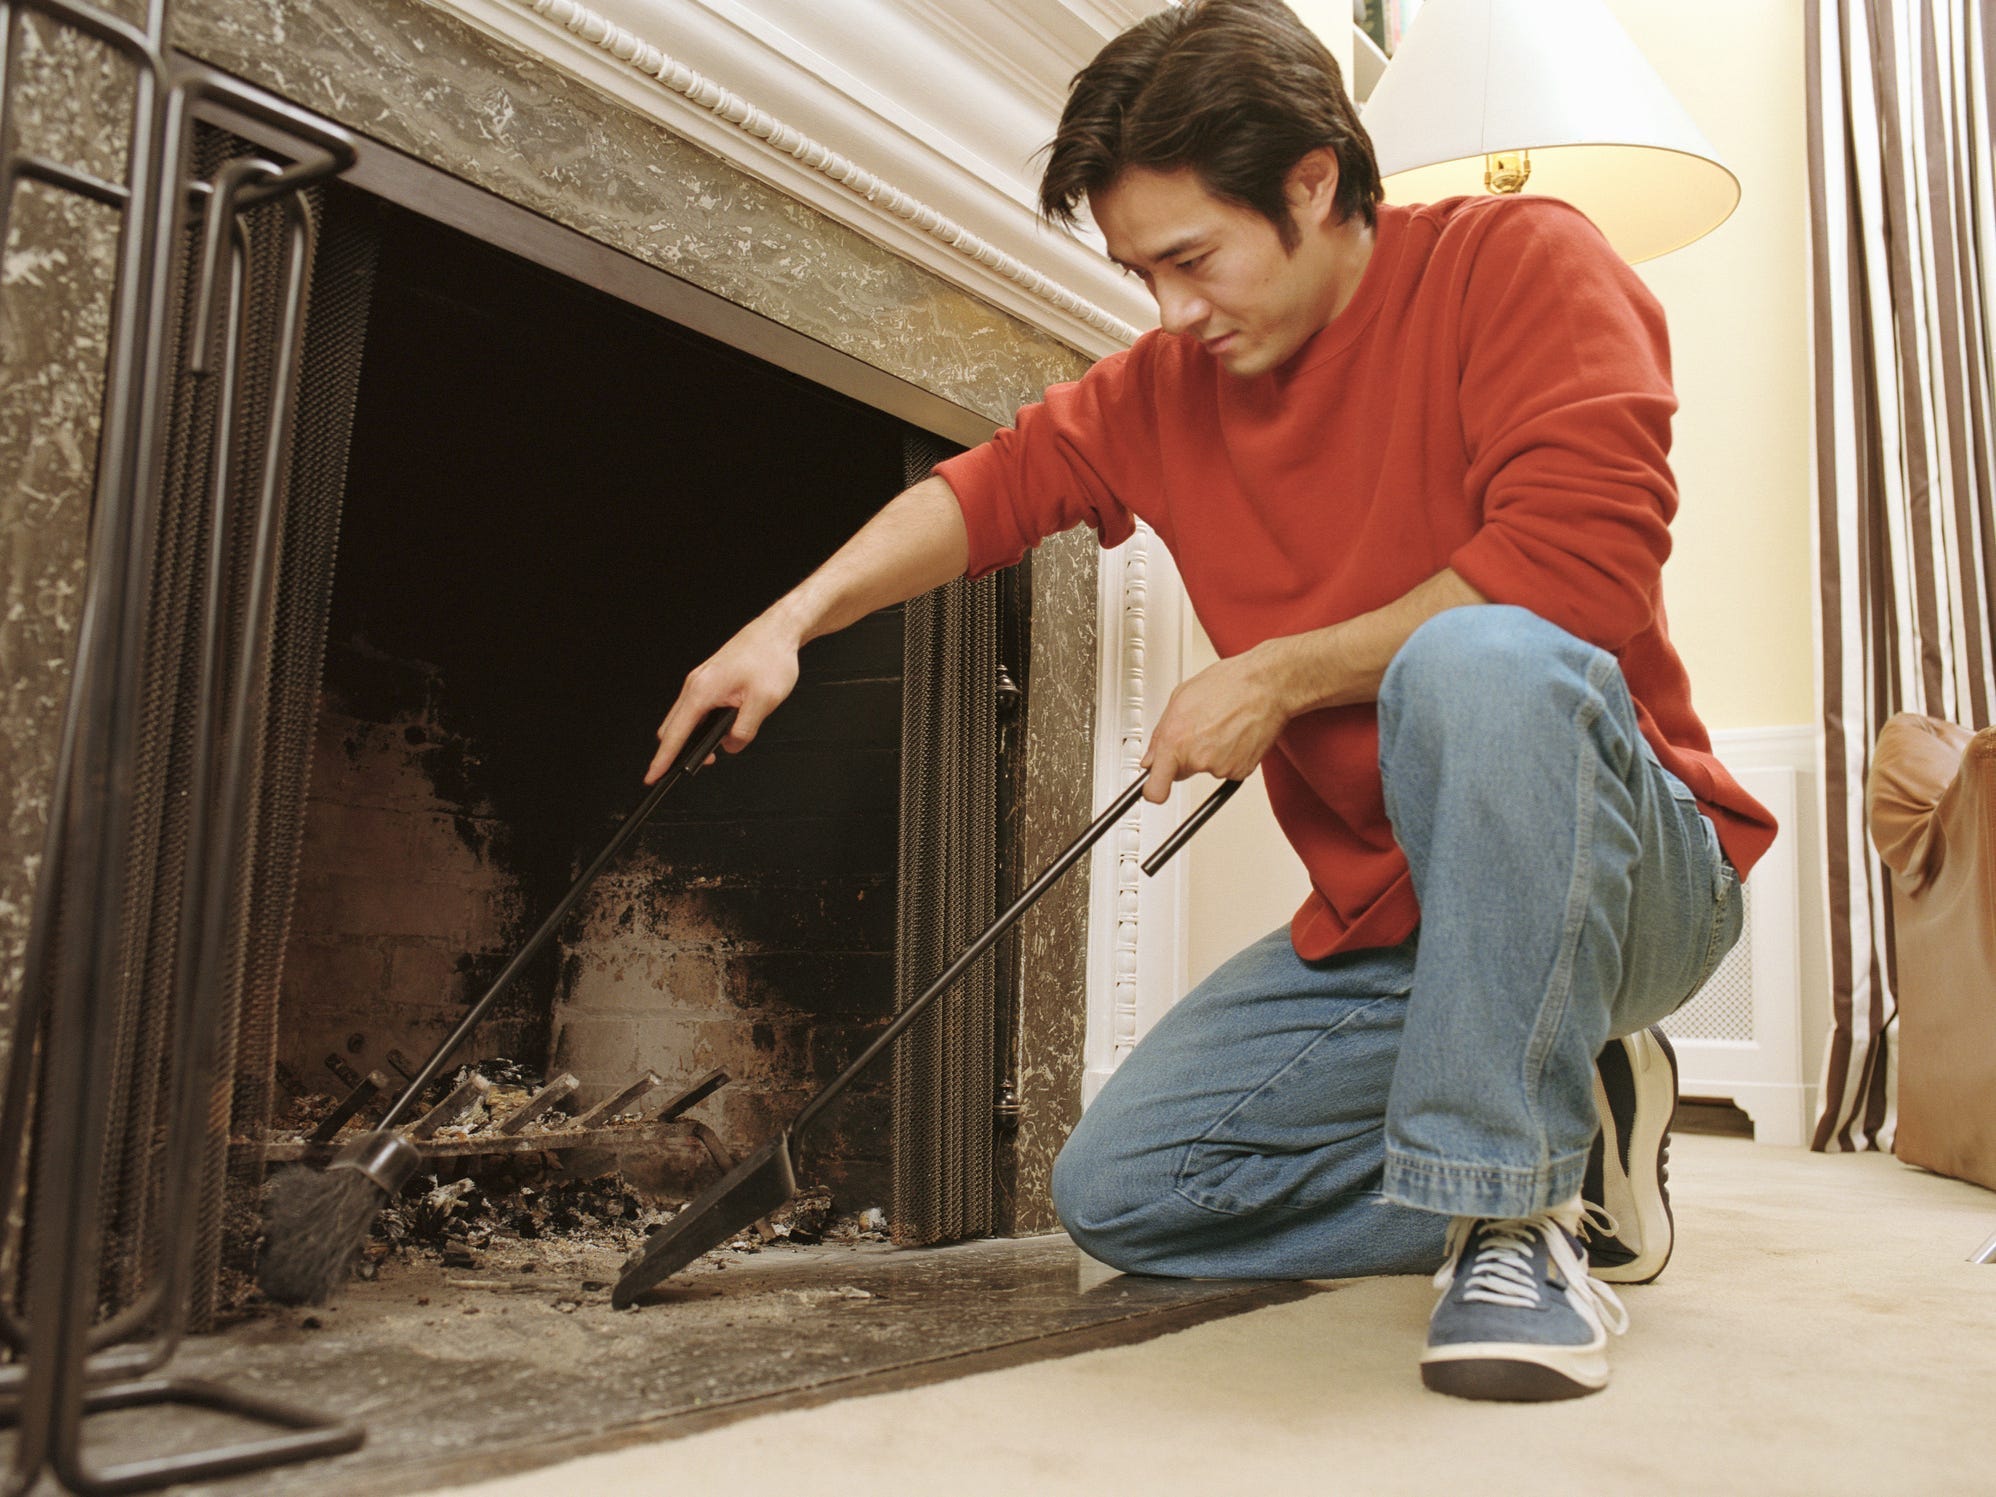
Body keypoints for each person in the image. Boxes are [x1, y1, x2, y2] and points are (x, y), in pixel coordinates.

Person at [647, 0, 1776, 1402]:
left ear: (1315, 182)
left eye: (1191, 258)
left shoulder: (1527, 261)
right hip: (1399, 924)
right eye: (1141, 272)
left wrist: (1276, 674)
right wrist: (791, 621)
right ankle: (1571, 1127)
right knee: (1126, 1194)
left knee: (1475, 660)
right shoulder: (1167, 390)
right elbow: (992, 488)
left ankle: (1516, 1219)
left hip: (1633, 875)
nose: (1171, 311)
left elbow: (1575, 575)